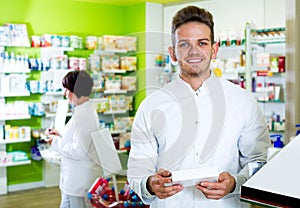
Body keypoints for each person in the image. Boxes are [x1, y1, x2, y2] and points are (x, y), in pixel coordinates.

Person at [127, 5, 270, 208]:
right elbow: (137, 169)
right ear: (173, 53)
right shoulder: (151, 106)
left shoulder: (243, 102)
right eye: (184, 44)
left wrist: (234, 183)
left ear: (214, 49)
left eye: (202, 43)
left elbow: (258, 162)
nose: (194, 51)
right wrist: (150, 184)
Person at [46, 70, 102, 208]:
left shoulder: (84, 115)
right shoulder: (82, 110)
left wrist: (55, 142)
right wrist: (59, 135)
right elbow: (77, 139)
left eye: (67, 89)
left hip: (80, 180)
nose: (65, 93)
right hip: (74, 179)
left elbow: (79, 151)